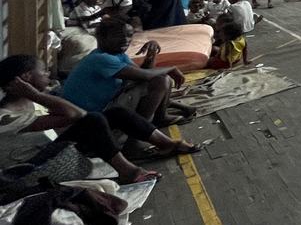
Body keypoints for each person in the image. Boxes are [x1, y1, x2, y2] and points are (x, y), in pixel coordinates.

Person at [0, 56, 202, 184]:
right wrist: (36, 95)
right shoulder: (7, 116)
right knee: (93, 120)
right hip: (37, 168)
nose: (47, 74)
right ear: (26, 78)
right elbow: (75, 115)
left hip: (56, 151)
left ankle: (165, 144)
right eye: (42, 71)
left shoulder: (33, 103)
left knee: (116, 113)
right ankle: (127, 172)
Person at [60, 18, 187, 127]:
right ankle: (138, 136)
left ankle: (160, 117)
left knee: (161, 78)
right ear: (101, 37)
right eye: (118, 36)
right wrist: (171, 68)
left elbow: (142, 74)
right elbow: (145, 76)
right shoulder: (101, 58)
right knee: (161, 80)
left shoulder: (117, 55)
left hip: (103, 108)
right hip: (92, 116)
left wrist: (151, 53)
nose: (125, 40)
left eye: (129, 35)